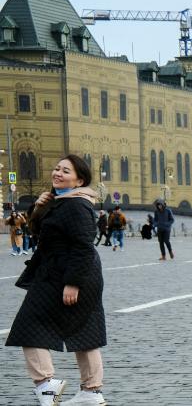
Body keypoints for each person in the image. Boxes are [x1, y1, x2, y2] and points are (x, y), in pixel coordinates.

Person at [6, 155, 108, 405]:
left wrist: (73, 283)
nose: (57, 173)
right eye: (56, 168)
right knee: (85, 330)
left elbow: (83, 245)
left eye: (66, 171)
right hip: (61, 274)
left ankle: (47, 385)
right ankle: (91, 392)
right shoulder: (60, 201)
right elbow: (38, 232)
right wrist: (40, 207)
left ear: (79, 180)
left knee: (29, 326)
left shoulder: (76, 205)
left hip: (68, 275)